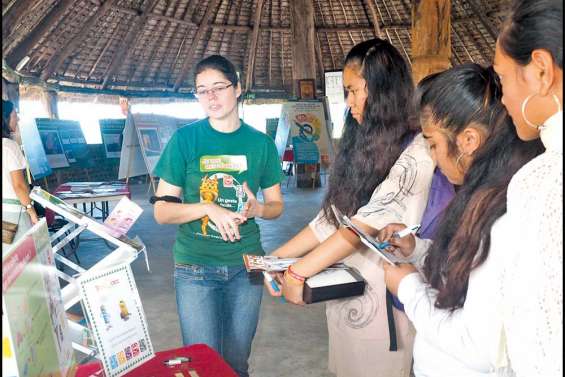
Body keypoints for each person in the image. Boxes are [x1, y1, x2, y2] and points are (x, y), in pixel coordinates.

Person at [266, 38, 448, 377]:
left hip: (387, 304)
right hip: (346, 293)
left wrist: (297, 270)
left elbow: (363, 224)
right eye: (346, 93)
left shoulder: (419, 150)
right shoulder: (362, 143)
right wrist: (275, 259)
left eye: (354, 91)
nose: (348, 102)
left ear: (381, 90)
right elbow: (331, 218)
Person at [378, 64, 544, 377]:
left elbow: (476, 347)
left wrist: (409, 287)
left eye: (433, 143)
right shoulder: (482, 199)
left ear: (467, 140)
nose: (432, 156)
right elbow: (469, 269)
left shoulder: (501, 219)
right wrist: (416, 249)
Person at [152, 55, 284, 377]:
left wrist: (258, 209)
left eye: (219, 87)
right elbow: (161, 211)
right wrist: (207, 207)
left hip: (246, 267)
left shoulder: (261, 144)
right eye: (202, 90)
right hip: (195, 267)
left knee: (237, 364)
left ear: (237, 88)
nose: (210, 97)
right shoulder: (185, 140)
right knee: (201, 365)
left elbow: (277, 206)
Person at [492, 0, 562, 375]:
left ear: (540, 70)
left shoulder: (540, 182)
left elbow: (536, 344)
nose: (502, 98)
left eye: (502, 79)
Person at [2, 99, 38, 252]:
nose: (18, 119)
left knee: (7, 257)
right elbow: (19, 185)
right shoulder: (9, 146)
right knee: (22, 259)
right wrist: (31, 210)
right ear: (4, 119)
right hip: (13, 214)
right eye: (15, 115)